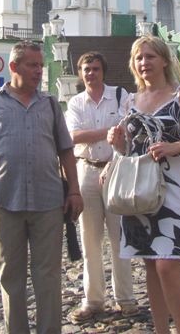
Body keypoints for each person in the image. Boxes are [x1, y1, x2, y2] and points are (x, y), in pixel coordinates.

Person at [0, 41, 83, 334]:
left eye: (40, 65)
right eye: (32, 65)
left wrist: (74, 190)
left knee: (48, 276)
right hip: (5, 200)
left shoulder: (50, 104)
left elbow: (66, 150)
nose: (39, 71)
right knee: (10, 275)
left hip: (48, 202)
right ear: (14, 67)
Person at [107, 35, 180, 334]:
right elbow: (128, 147)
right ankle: (160, 330)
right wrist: (116, 143)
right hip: (138, 188)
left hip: (172, 186)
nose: (144, 62)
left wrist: (175, 146)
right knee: (150, 266)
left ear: (165, 61)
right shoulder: (130, 101)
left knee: (167, 264)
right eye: (138, 57)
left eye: (150, 56)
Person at [65, 52, 137, 323]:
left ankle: (125, 298)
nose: (91, 73)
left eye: (95, 68)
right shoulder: (75, 102)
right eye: (86, 69)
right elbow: (73, 136)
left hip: (115, 169)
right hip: (86, 170)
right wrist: (108, 132)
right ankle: (93, 300)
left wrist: (108, 134)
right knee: (89, 239)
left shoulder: (120, 95)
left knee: (120, 237)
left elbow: (129, 130)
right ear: (80, 73)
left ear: (103, 71)